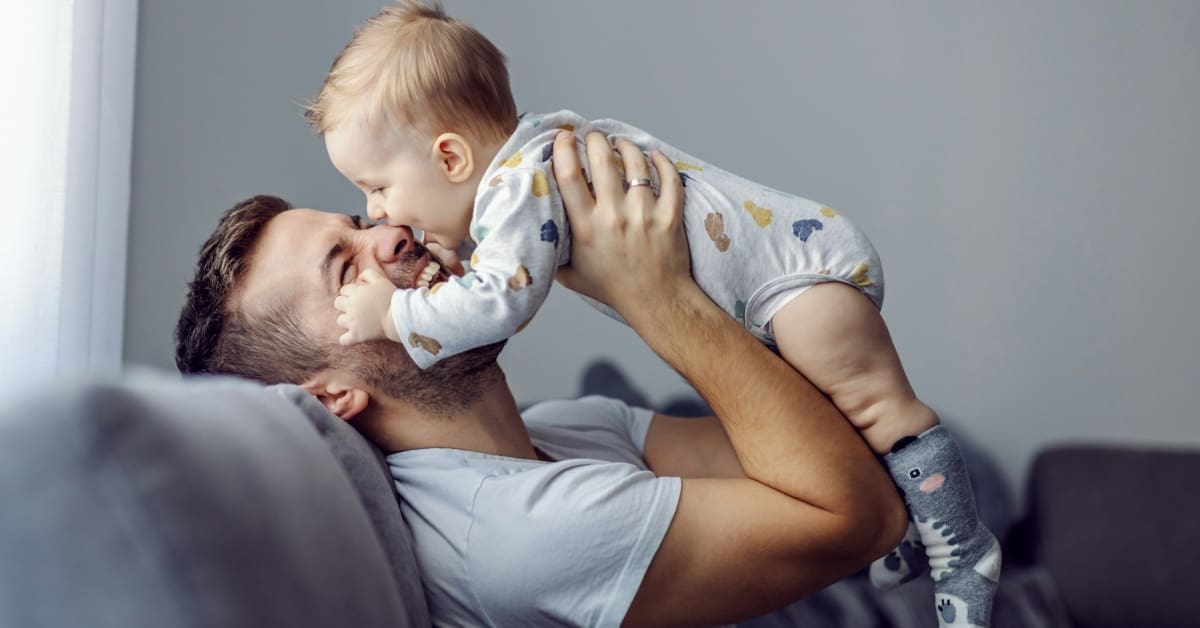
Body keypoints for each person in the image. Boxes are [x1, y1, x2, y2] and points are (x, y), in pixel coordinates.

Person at [307, 3, 1000, 625]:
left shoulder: (517, 191)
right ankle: (928, 528)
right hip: (788, 279)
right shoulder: (526, 172)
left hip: (796, 280)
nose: (380, 217)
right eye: (345, 269)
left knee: (883, 413)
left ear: (451, 157)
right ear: (327, 394)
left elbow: (498, 302)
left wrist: (392, 316)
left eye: (374, 190)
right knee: (858, 420)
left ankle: (965, 552)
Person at [175, 131, 908, 626]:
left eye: (358, 223)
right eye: (346, 268)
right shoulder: (511, 539)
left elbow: (851, 455)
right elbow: (864, 516)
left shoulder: (562, 429)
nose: (390, 233)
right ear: (331, 395)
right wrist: (653, 297)